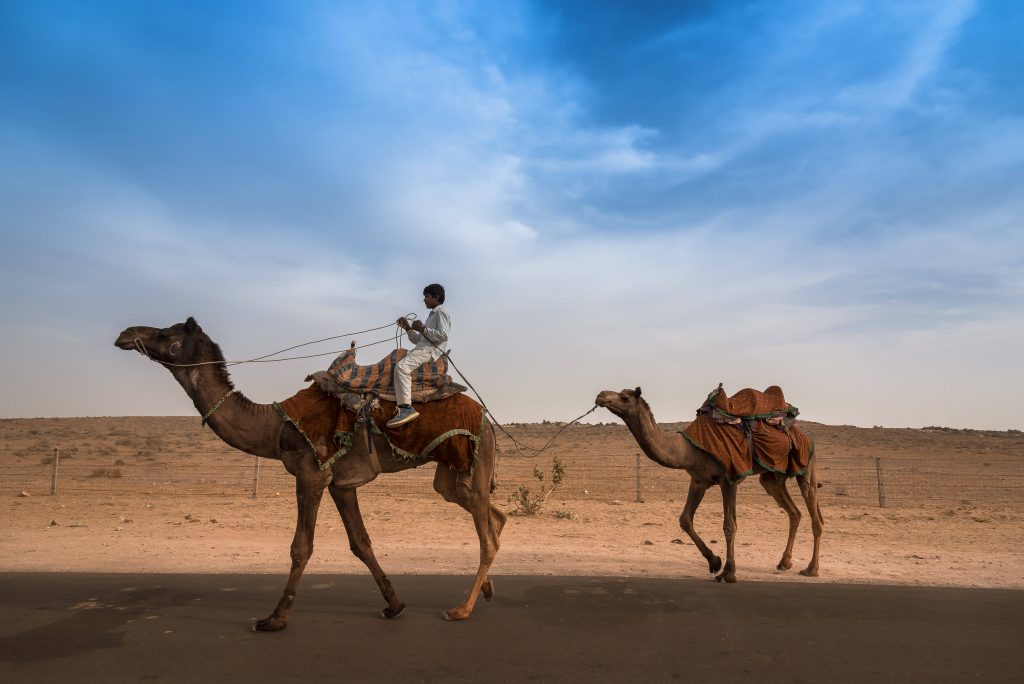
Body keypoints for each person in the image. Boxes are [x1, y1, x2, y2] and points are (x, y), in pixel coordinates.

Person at [387, 283, 450, 428]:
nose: (424, 300)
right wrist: (408, 328)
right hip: (422, 348)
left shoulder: (441, 313)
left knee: (401, 368)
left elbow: (444, 335)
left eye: (427, 297)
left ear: (436, 297)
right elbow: (418, 341)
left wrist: (423, 329)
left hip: (429, 351)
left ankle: (406, 408)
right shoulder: (432, 315)